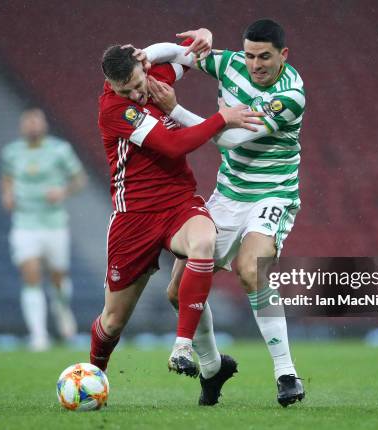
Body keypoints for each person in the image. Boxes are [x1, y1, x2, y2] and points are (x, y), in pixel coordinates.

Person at [143, 19, 306, 406]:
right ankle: (213, 368)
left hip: (272, 193)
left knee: (251, 270)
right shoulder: (231, 64)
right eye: (250, 55)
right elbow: (176, 52)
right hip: (229, 195)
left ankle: (286, 374)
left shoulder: (291, 94)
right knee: (178, 292)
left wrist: (175, 109)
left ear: (283, 55)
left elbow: (232, 137)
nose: (255, 65)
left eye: (264, 57)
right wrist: (142, 57)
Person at [90, 40, 264, 386]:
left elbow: (188, 55)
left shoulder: (151, 77)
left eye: (140, 83)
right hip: (135, 216)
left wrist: (199, 36)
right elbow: (173, 145)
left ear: (142, 68)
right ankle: (95, 375)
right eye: (128, 90)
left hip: (178, 202)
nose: (139, 94)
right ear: (112, 86)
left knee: (203, 242)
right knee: (112, 321)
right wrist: (222, 118)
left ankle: (183, 347)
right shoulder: (114, 109)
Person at [0, 108, 87, 351]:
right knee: (31, 275)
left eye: (36, 121)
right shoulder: (11, 153)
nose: (32, 126)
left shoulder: (60, 150)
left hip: (54, 223)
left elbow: (79, 179)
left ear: (44, 125)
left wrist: (63, 191)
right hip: (25, 223)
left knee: (58, 277)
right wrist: (6, 194)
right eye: (27, 122)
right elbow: (6, 178)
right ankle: (38, 336)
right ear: (22, 126)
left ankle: (61, 309)